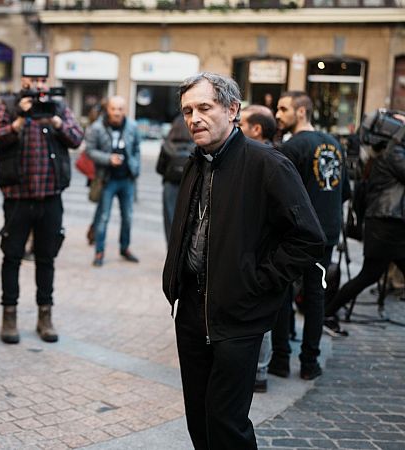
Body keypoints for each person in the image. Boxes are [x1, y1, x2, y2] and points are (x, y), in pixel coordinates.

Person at [162, 72, 325, 449]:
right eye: (188, 110)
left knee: (227, 423)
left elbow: (308, 238)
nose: (194, 119)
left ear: (232, 109)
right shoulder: (196, 161)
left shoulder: (267, 164)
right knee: (199, 418)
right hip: (191, 311)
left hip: (239, 314)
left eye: (205, 108)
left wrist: (257, 281)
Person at [0, 73, 83, 344]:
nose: (39, 84)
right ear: (23, 80)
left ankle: (45, 317)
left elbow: (77, 138)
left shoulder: (58, 107)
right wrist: (20, 119)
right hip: (17, 198)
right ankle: (9, 317)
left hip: (51, 197)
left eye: (43, 79)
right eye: (33, 78)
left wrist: (56, 121)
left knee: (47, 258)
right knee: (12, 257)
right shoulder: (9, 105)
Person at [274, 90, 347, 380]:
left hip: (296, 233)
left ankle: (281, 360)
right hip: (325, 232)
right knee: (316, 296)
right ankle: (309, 363)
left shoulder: (291, 147)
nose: (278, 115)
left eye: (283, 109)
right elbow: (343, 191)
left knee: (283, 293)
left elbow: (279, 194)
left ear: (301, 111)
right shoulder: (334, 144)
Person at [324, 114, 405, 337]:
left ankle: (326, 312)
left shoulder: (386, 153)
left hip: (385, 223)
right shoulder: (394, 153)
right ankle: (326, 312)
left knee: (369, 275)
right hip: (387, 224)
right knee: (368, 275)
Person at [238, 104, 278, 394]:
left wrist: (270, 272)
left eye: (241, 124)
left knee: (260, 319)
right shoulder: (243, 156)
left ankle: (260, 372)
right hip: (250, 255)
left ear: (256, 129)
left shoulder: (271, 161)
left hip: (262, 256)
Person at [85, 95, 141, 267]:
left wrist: (135, 167)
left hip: (127, 179)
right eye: (113, 109)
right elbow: (89, 151)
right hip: (106, 180)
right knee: (103, 217)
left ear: (125, 110)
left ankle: (125, 248)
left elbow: (136, 148)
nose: (117, 112)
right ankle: (99, 252)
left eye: (120, 109)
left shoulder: (132, 126)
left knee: (128, 217)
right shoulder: (96, 128)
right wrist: (108, 159)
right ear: (107, 109)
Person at [156, 115, 195, 243]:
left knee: (170, 219)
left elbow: (159, 168)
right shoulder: (196, 147)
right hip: (190, 186)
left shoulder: (167, 146)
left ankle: (171, 248)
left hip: (170, 185)